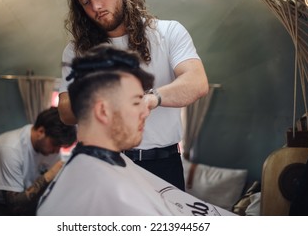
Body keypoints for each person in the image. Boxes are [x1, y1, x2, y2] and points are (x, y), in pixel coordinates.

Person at [57, 0, 209, 191]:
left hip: (164, 165)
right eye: (85, 2)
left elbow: (197, 83)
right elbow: (66, 112)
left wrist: (148, 99)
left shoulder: (168, 32)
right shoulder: (76, 50)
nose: (95, 7)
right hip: (105, 163)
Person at [37, 45, 230, 216]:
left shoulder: (96, 170)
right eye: (137, 101)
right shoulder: (98, 194)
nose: (146, 110)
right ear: (103, 110)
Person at [0, 107, 77, 216]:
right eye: (55, 145)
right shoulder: (10, 148)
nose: (57, 151)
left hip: (9, 202)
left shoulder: (50, 150)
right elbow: (15, 208)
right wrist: (49, 175)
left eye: (60, 147)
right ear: (41, 132)